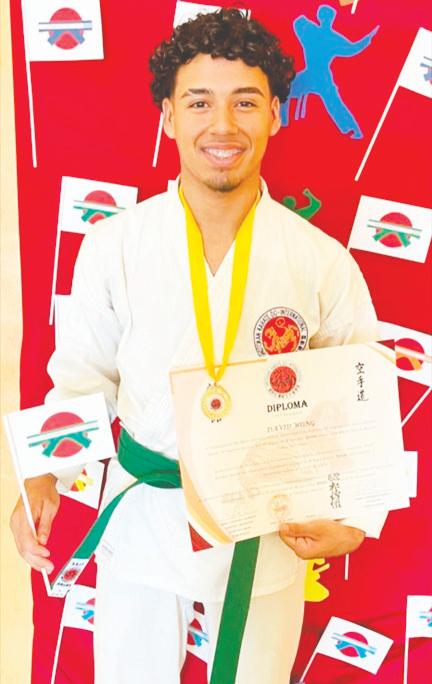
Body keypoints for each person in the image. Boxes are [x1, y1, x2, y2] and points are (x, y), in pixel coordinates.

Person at [10, 9, 387, 684]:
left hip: (266, 525)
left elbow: (361, 398)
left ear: (275, 114)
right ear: (167, 116)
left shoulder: (319, 262)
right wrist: (43, 476)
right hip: (143, 513)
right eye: (199, 102)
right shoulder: (114, 245)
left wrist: (353, 519)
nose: (222, 126)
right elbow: (81, 374)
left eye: (245, 102)